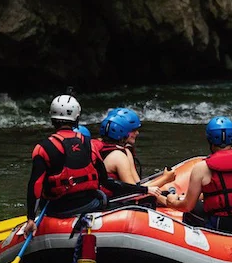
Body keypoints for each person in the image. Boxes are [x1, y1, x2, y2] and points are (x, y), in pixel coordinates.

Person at [22, 95, 161, 235]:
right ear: (77, 117)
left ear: (52, 118)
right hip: (88, 205)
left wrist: (31, 219)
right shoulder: (89, 145)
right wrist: (142, 190)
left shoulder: (42, 148)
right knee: (138, 205)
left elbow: (35, 186)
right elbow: (106, 182)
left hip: (57, 209)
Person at [93, 108, 175, 191]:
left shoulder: (124, 150)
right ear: (121, 131)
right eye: (133, 130)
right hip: (115, 200)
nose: (137, 133)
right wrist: (165, 179)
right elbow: (134, 192)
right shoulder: (118, 156)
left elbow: (138, 184)